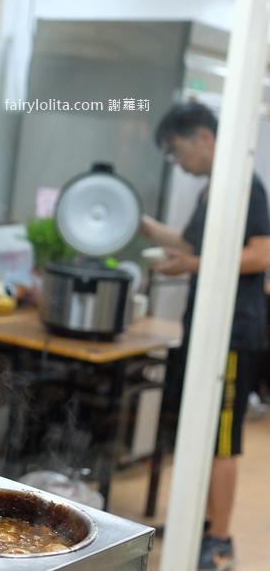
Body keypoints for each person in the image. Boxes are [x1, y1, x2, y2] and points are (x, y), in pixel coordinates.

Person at [141, 102, 270, 571]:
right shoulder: (209, 191)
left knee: (221, 437)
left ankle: (221, 539)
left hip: (233, 332)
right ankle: (199, 519)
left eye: (178, 151)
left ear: (205, 138)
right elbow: (195, 245)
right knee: (198, 427)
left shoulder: (245, 187)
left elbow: (261, 254)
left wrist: (191, 264)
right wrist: (143, 224)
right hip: (205, 326)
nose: (178, 162)